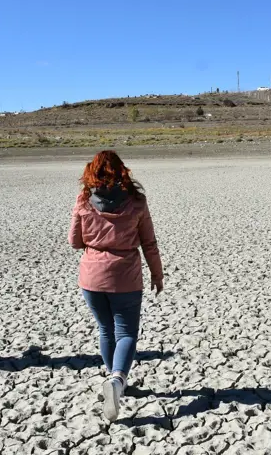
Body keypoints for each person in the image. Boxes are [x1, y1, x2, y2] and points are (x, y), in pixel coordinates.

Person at [69, 151, 164, 421]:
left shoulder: (84, 201)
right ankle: (118, 380)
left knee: (106, 329)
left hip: (91, 276)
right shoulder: (137, 202)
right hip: (126, 277)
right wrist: (157, 275)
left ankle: (115, 380)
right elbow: (149, 243)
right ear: (123, 171)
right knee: (126, 333)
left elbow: (74, 242)